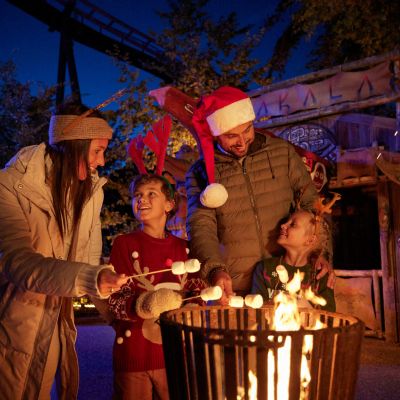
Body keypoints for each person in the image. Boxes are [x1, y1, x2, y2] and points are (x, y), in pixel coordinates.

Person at [0, 103, 128, 400]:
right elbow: (19, 263)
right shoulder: (9, 187)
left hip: (55, 327)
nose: (103, 161)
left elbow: (89, 266)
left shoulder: (90, 192)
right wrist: (90, 278)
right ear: (73, 146)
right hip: (11, 324)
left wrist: (122, 316)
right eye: (97, 151)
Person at [186, 86, 334, 304]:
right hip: (234, 288)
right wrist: (214, 270)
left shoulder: (281, 152)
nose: (242, 141)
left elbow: (311, 203)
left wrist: (320, 252)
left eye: (247, 130)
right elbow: (201, 226)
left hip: (287, 281)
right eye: (231, 136)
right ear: (215, 134)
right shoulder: (200, 173)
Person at [108, 174, 205, 400]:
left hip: (175, 356)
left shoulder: (186, 249)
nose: (142, 199)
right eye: (137, 195)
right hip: (133, 354)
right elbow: (114, 300)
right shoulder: (124, 244)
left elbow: (196, 295)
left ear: (169, 205)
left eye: (152, 194)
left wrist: (193, 304)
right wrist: (143, 304)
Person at [251, 209, 336, 312]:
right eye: (286, 222)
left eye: (293, 225)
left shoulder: (320, 275)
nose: (283, 225)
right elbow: (255, 311)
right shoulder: (265, 269)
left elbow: (329, 317)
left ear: (310, 240)